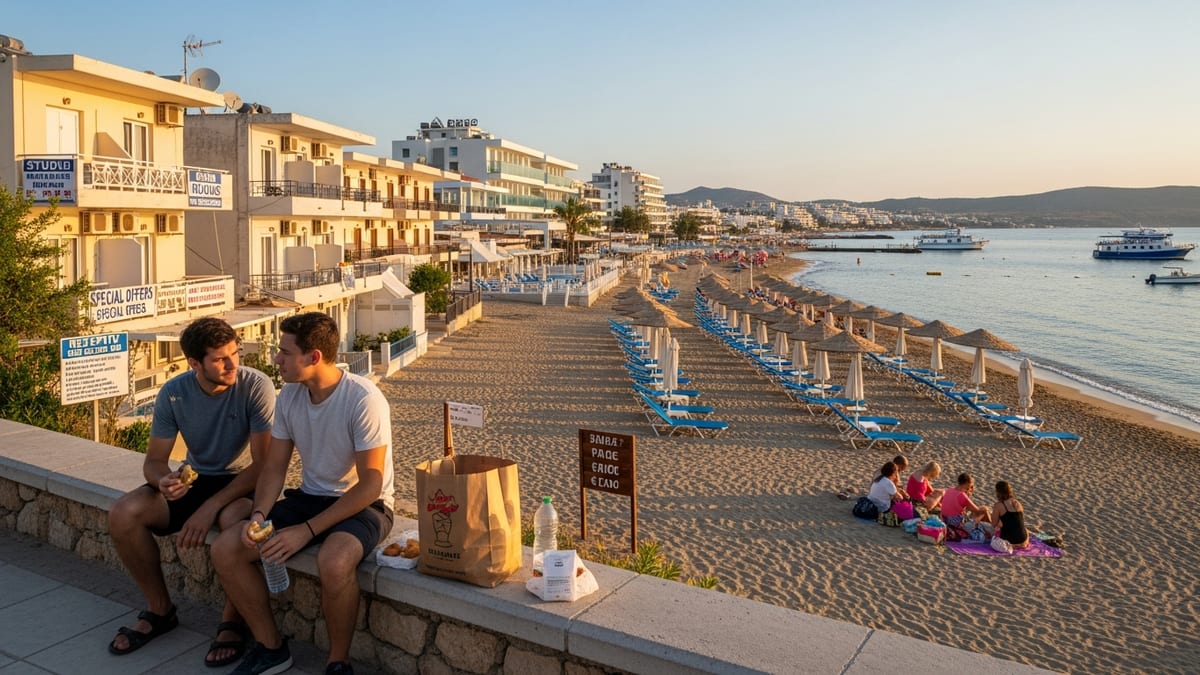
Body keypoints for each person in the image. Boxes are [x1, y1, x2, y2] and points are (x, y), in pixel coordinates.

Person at [213, 312, 394, 675]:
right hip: (309, 496)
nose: (276, 359)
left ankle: (337, 661)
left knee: (334, 561)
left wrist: (307, 531)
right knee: (227, 548)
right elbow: (275, 467)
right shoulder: (291, 397)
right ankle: (270, 646)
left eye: (284, 352)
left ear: (313, 357)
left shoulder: (362, 399)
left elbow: (371, 483)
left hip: (364, 504)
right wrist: (260, 516)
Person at [107, 317, 275, 667]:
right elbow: (154, 461)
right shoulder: (174, 392)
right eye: (220, 358)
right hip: (196, 478)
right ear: (195, 363)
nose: (232, 364)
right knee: (123, 514)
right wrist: (162, 481)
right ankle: (160, 610)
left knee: (233, 521)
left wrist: (209, 508)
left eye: (235, 353)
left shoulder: (255, 386)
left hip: (242, 483)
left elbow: (263, 465)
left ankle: (232, 621)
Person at [941, 473, 993, 541]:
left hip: (945, 520)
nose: (971, 486)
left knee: (981, 511)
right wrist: (986, 509)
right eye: (971, 484)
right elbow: (977, 510)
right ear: (966, 483)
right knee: (984, 510)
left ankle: (990, 529)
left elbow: (964, 508)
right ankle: (993, 530)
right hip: (956, 524)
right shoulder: (961, 495)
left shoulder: (949, 490)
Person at [990, 481, 1031, 549]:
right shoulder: (1018, 503)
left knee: (993, 537)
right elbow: (1017, 521)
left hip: (1009, 540)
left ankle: (1013, 545)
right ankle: (1020, 544)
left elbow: (993, 524)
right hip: (1023, 539)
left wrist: (992, 514)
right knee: (1024, 529)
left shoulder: (998, 505)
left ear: (998, 492)